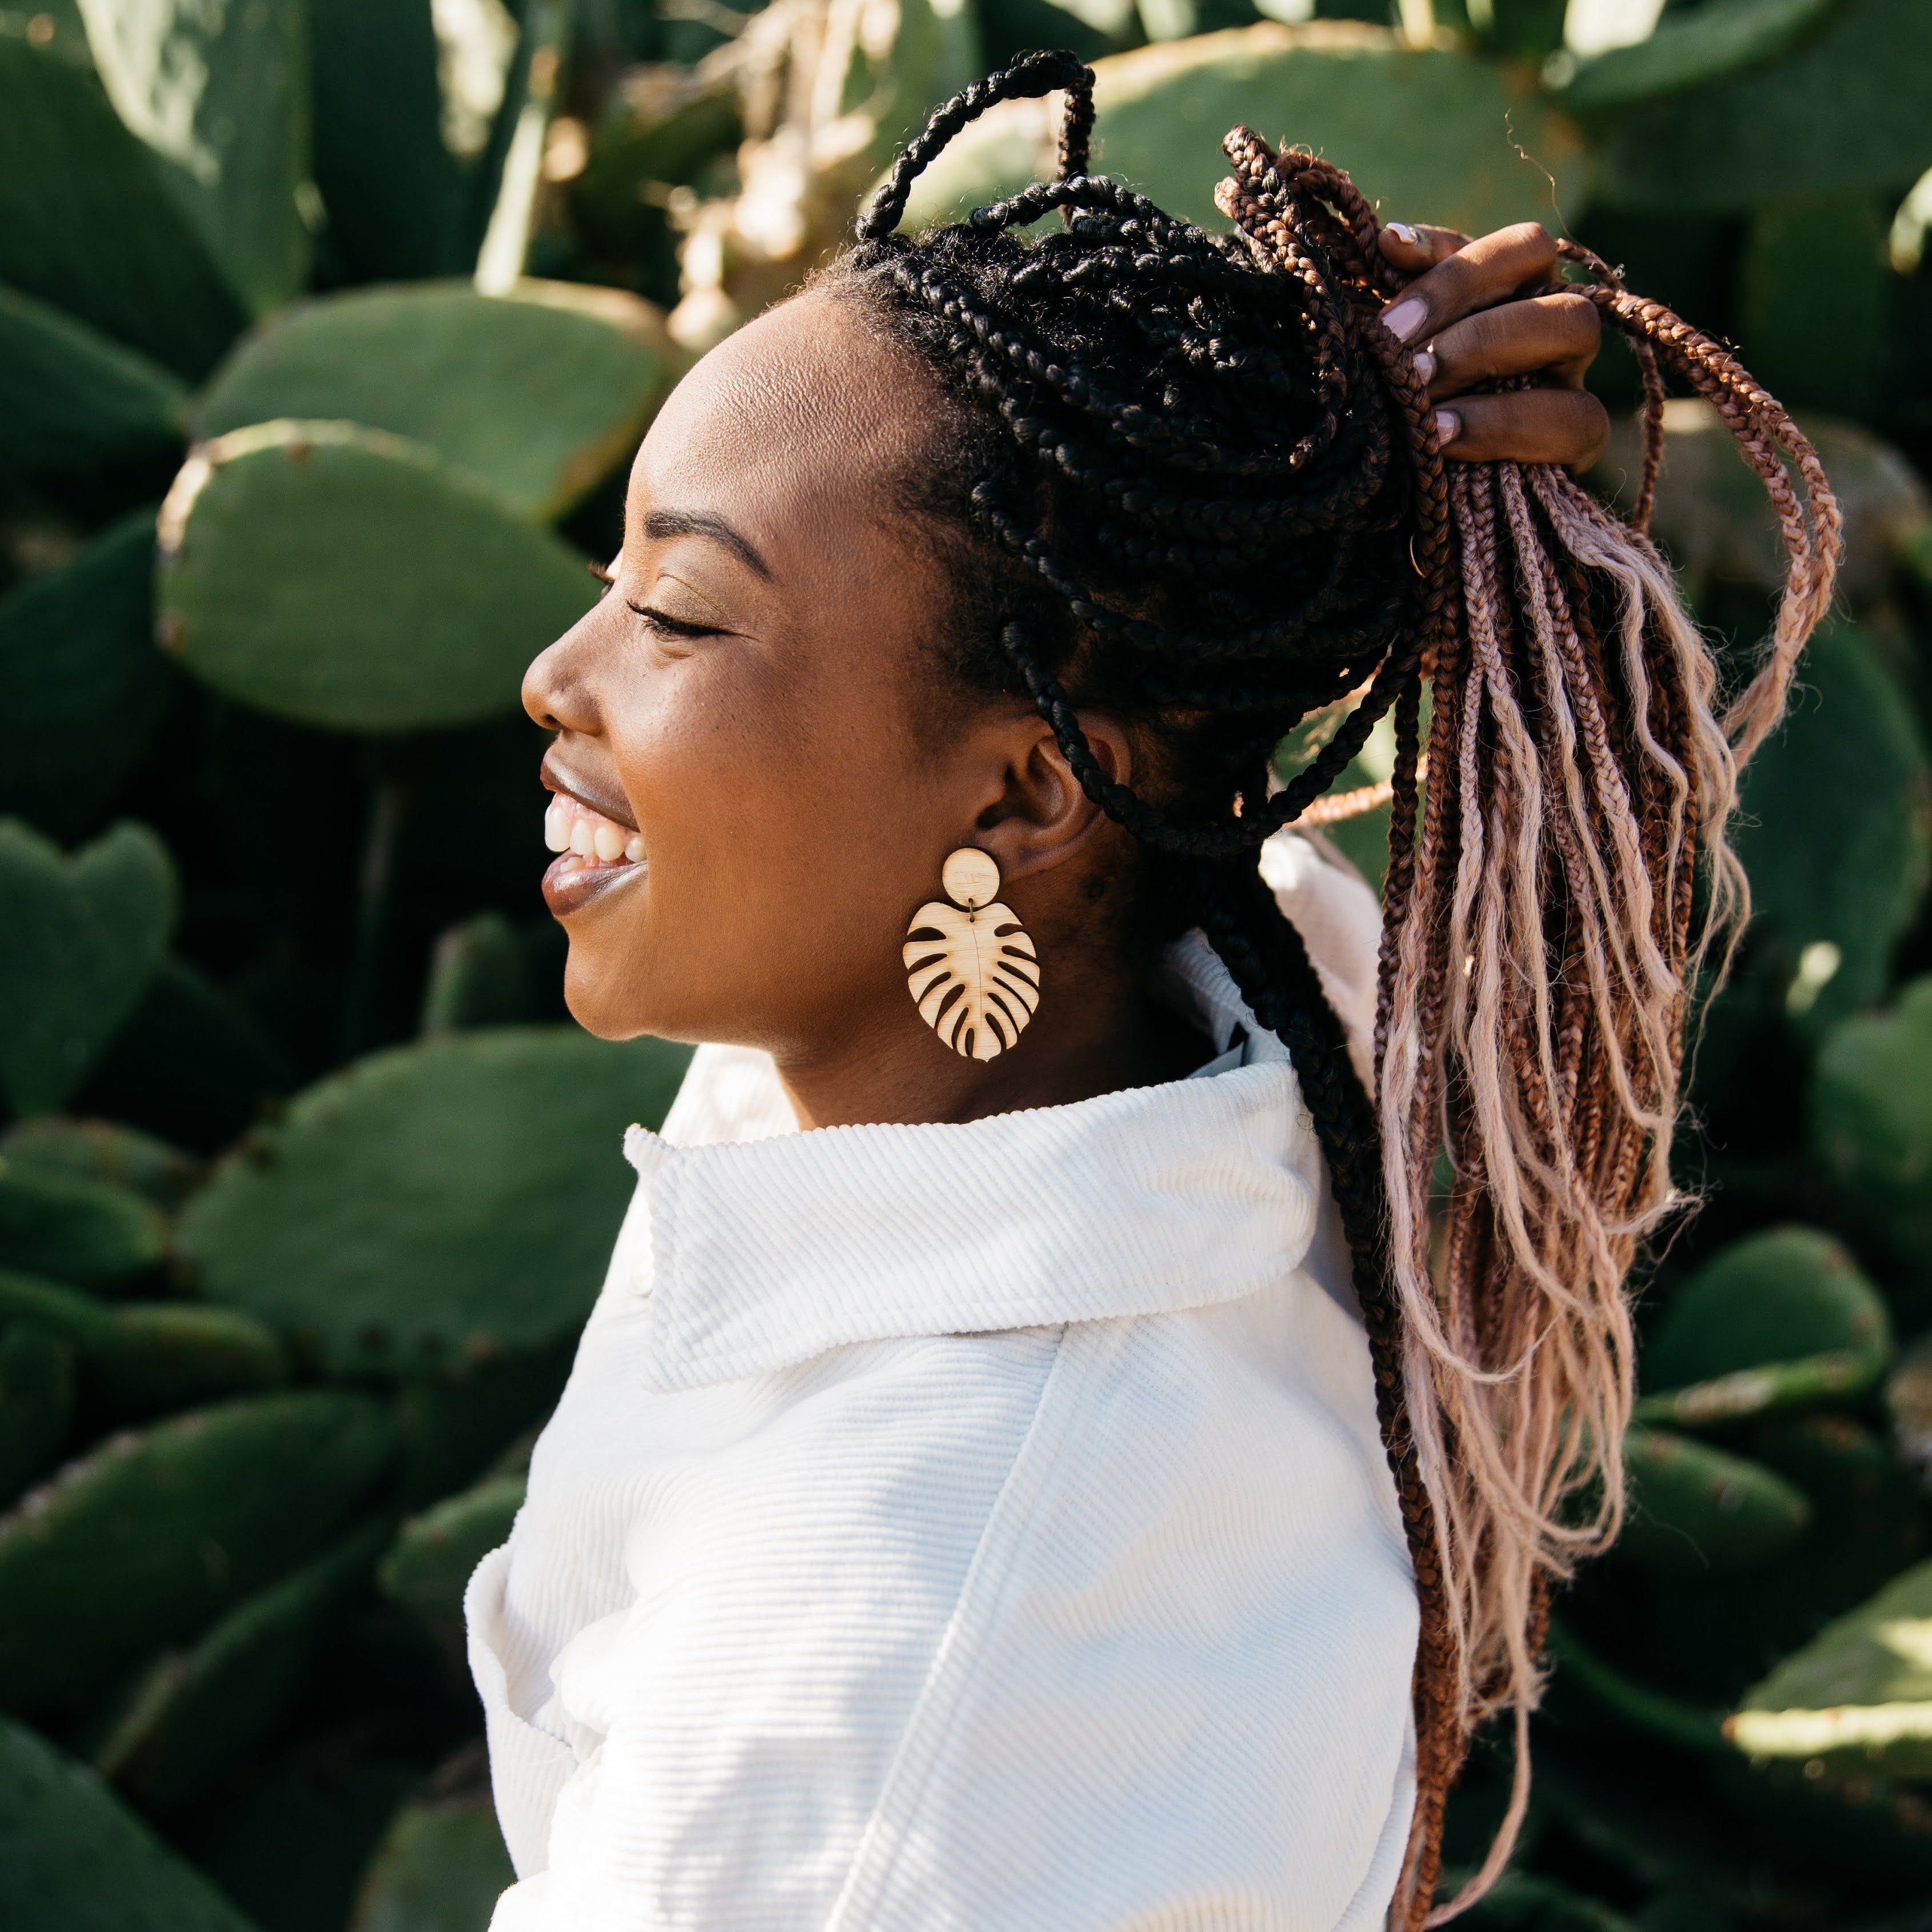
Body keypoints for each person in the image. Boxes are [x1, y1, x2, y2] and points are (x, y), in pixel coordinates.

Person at [468, 53, 1834, 1931]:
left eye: (683, 612)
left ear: (1028, 791)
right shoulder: (1143, 1019)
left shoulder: (869, 1718)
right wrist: (1345, 442)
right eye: (613, 576)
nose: (558, 671)